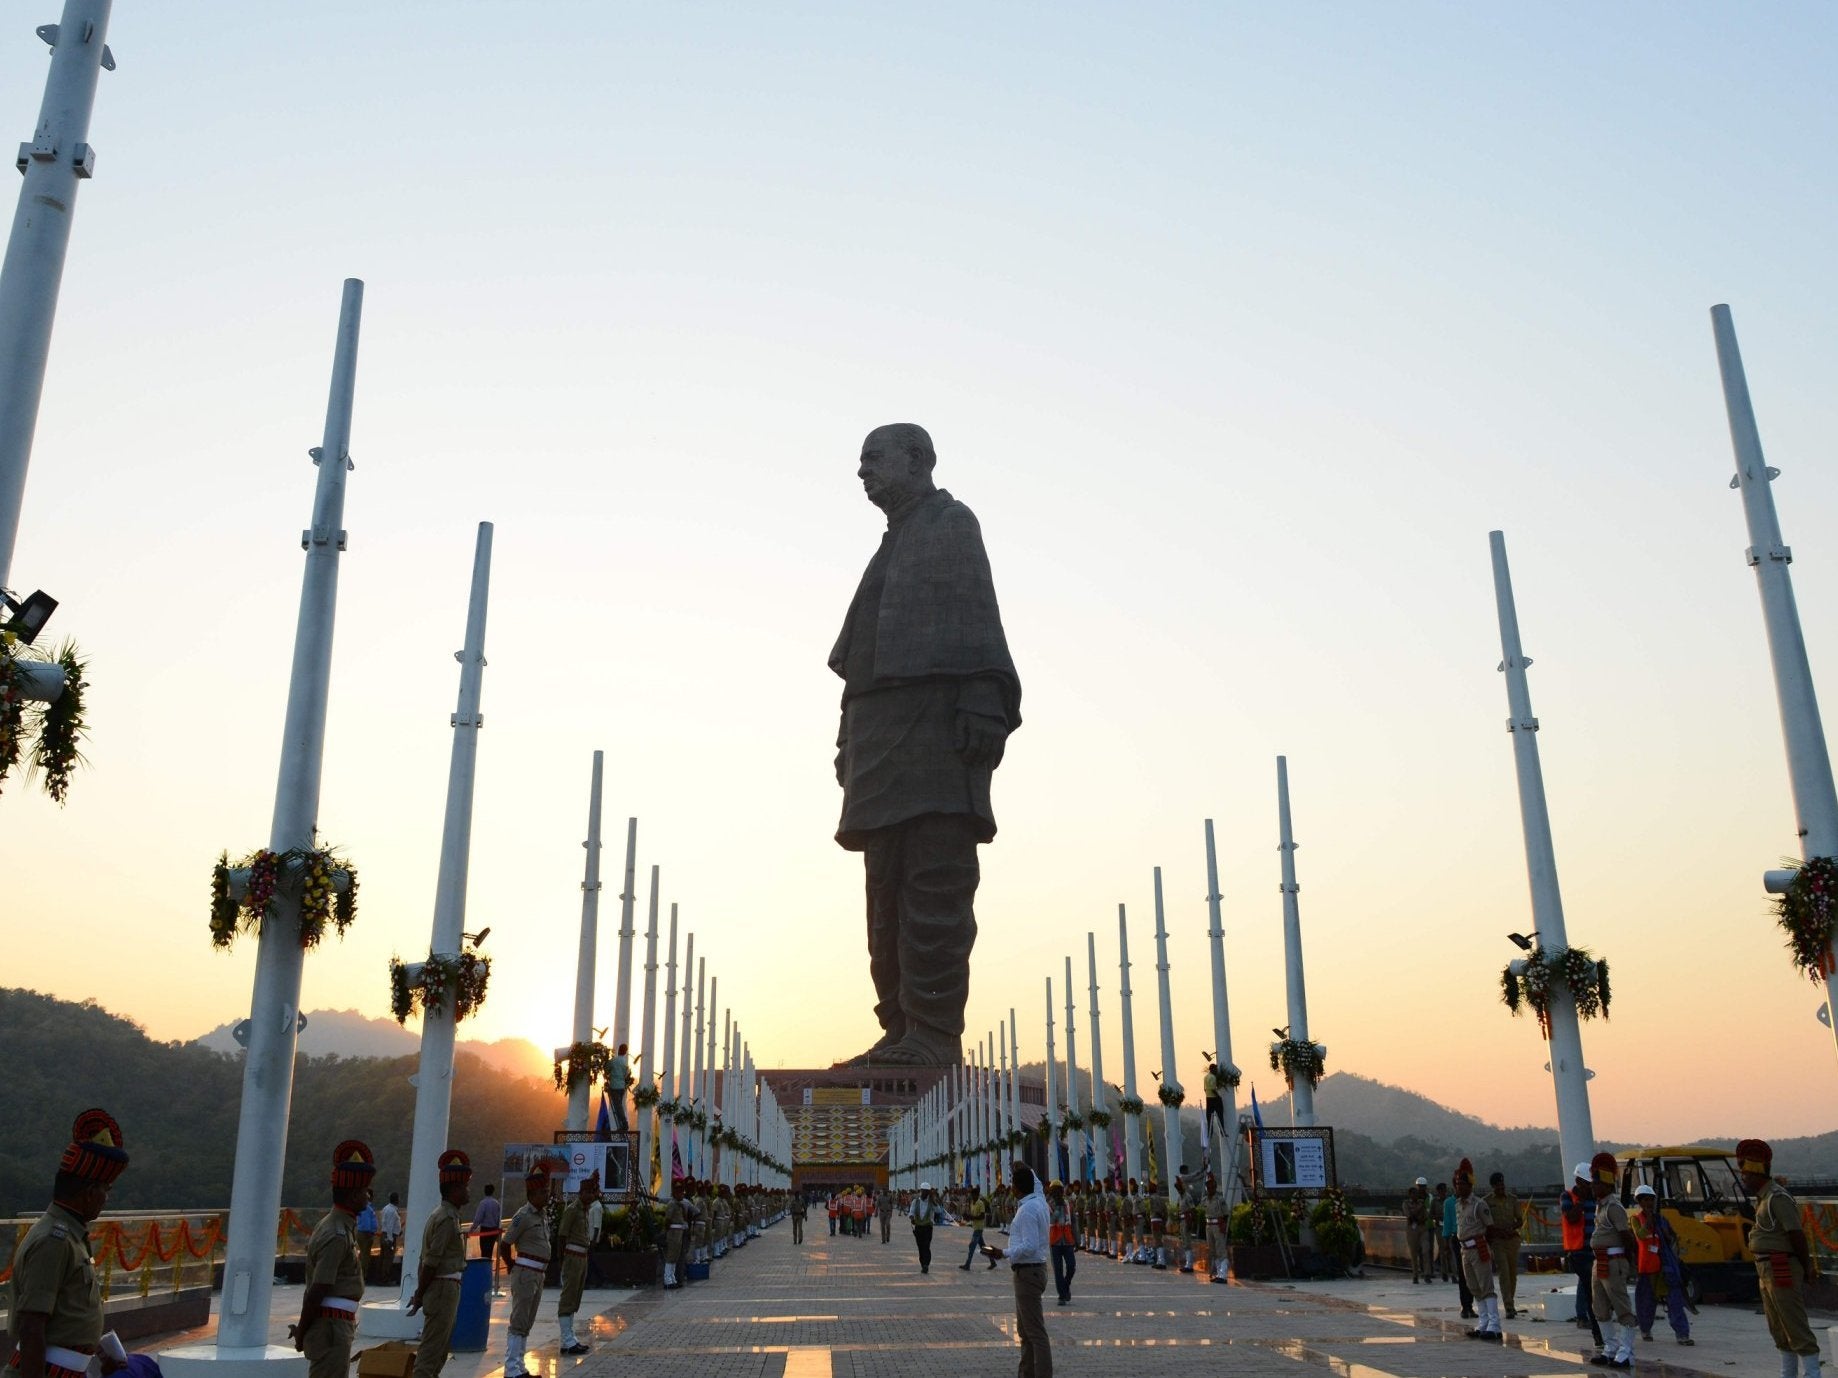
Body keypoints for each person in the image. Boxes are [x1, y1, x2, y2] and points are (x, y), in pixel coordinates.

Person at [832, 422, 1022, 1067]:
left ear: (916, 460)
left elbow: (976, 621)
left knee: (934, 882)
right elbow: (859, 661)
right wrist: (845, 738)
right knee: (882, 894)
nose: (862, 471)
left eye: (872, 458)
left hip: (937, 733)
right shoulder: (889, 547)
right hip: (879, 739)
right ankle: (899, 1027)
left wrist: (980, 700)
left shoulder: (950, 525)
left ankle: (934, 1033)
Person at [5, 1110, 130, 1378]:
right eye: (104, 1190)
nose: (105, 1199)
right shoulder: (54, 1240)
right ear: (88, 1193)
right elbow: (31, 1325)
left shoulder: (73, 1237)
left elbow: (68, 1316)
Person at [1739, 1137, 1821, 1378]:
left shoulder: (1777, 1198)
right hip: (1765, 1267)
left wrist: (1807, 1267)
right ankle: (1789, 1373)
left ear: (1756, 1175)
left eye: (1745, 1175)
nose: (1743, 1179)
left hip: (1781, 1265)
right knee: (1778, 1326)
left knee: (1794, 1322)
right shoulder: (1763, 1199)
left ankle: (1813, 1373)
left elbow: (1796, 1235)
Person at [294, 1141, 374, 1378]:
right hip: (330, 1326)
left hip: (337, 1324)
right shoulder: (336, 1234)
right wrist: (302, 1329)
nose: (367, 1198)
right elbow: (319, 1287)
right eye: (363, 1192)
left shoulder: (341, 1225)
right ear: (351, 1195)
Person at [407, 1149, 472, 1378]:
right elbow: (431, 1262)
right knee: (431, 1351)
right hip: (442, 1288)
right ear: (454, 1190)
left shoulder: (447, 1214)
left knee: (440, 1350)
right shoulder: (445, 1218)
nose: (467, 1191)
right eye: (464, 1187)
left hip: (446, 1287)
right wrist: (419, 1294)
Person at [987, 1163, 1051, 1378]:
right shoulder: (1039, 1200)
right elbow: (1038, 1185)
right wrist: (1029, 1169)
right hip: (1034, 1270)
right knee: (1025, 1331)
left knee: (1035, 1333)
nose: (1010, 1188)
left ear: (1018, 1188)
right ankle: (1026, 1373)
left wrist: (1003, 1253)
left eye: (1012, 1184)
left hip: (1027, 1273)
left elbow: (1030, 1245)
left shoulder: (1027, 1210)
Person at [498, 1164, 552, 1378]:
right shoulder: (523, 1215)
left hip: (539, 1273)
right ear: (532, 1194)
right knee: (519, 1319)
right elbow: (505, 1243)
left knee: (527, 1320)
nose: (546, 1195)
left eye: (547, 1191)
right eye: (543, 1192)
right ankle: (511, 1368)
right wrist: (511, 1264)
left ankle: (520, 1365)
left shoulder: (542, 1214)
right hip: (526, 1272)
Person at [1588, 1151, 1637, 1369]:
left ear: (1606, 1184)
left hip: (1614, 1260)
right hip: (1599, 1261)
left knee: (1621, 1305)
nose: (1592, 1186)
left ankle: (1626, 1352)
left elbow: (1628, 1238)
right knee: (1599, 1306)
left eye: (1596, 1182)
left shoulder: (1614, 1208)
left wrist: (1630, 1263)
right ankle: (1610, 1347)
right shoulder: (1601, 1206)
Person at [1630, 1184, 1693, 1345]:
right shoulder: (1636, 1219)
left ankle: (1682, 1334)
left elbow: (1672, 1238)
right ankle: (1645, 1329)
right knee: (1646, 1302)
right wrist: (1649, 1222)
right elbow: (1641, 1235)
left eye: (1651, 1200)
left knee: (1675, 1300)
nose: (1649, 1203)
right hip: (1647, 1267)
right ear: (1639, 1201)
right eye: (1645, 1200)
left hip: (1665, 1267)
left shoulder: (1662, 1220)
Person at [1453, 1160, 1501, 1341]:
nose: (1458, 1187)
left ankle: (1494, 1325)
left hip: (1478, 1246)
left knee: (1486, 1286)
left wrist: (1488, 1249)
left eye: (1462, 1184)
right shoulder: (1458, 1204)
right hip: (1465, 1249)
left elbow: (1490, 1228)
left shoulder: (1479, 1204)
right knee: (1474, 1287)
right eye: (1457, 1184)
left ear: (1470, 1185)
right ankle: (1483, 1323)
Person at [1561, 1161, 1605, 1350]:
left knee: (1589, 1286)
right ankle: (1592, 1326)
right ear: (1578, 1180)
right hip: (1578, 1251)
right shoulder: (1568, 1196)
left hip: (1595, 1249)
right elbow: (1571, 1217)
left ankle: (1592, 1321)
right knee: (1588, 1287)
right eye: (1586, 1183)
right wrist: (1579, 1201)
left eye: (1590, 1183)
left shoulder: (1596, 1198)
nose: (1589, 1187)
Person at [555, 1172, 598, 1355]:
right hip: (572, 1257)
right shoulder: (573, 1209)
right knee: (568, 1297)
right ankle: (566, 1339)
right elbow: (562, 1235)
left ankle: (569, 1338)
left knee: (575, 1298)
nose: (593, 1196)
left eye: (594, 1192)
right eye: (590, 1192)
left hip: (582, 1257)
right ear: (582, 1192)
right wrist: (562, 1261)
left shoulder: (585, 1211)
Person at [1487, 1171, 1523, 1318]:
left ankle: (1511, 1301)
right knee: (1504, 1273)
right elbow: (1487, 1223)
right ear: (1493, 1186)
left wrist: (1511, 1228)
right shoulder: (1487, 1201)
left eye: (1502, 1184)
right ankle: (1508, 1306)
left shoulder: (1512, 1199)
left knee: (1513, 1274)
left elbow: (1520, 1220)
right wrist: (1499, 1231)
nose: (1501, 1187)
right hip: (1497, 1241)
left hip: (1512, 1240)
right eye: (1498, 1185)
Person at [1441, 1179, 1473, 1318]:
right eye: (1458, 1186)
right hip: (1457, 1238)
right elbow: (1447, 1223)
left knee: (1471, 1273)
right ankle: (1465, 1306)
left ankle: (1470, 1305)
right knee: (1462, 1272)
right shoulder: (1449, 1203)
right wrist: (1446, 1242)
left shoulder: (1471, 1201)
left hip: (1470, 1237)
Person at [1047, 1182, 1076, 1305]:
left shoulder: (1067, 1204)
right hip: (1055, 1241)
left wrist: (1077, 1241)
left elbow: (1074, 1222)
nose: (1058, 1192)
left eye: (1059, 1190)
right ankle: (1062, 1296)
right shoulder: (1048, 1205)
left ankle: (1066, 1285)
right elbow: (1051, 1220)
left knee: (1071, 1266)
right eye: (1055, 1190)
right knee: (1058, 1270)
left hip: (1068, 1240)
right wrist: (1057, 1210)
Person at [471, 1184, 503, 1296]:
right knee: (489, 1254)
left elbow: (478, 1218)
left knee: (484, 1254)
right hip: (494, 1231)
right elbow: (499, 1218)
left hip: (485, 1231)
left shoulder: (483, 1203)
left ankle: (485, 1278)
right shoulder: (496, 1203)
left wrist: (472, 1229)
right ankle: (490, 1277)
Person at [1404, 1178, 1432, 1284]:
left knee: (1426, 1250)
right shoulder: (1406, 1203)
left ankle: (1427, 1274)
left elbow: (1426, 1216)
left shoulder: (1423, 1201)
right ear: (1410, 1195)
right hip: (1412, 1229)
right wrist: (1419, 1209)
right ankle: (1415, 1275)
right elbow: (1409, 1216)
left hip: (1422, 1228)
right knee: (1414, 1253)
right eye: (1414, 1193)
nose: (1417, 1195)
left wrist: (1420, 1216)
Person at [959, 1185, 992, 1270]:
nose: (972, 1196)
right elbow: (972, 1215)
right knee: (983, 1247)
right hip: (975, 1226)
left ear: (977, 1195)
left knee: (972, 1246)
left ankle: (967, 1264)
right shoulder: (972, 1203)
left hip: (979, 1227)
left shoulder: (980, 1203)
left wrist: (971, 1217)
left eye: (973, 1195)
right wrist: (967, 1217)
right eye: (971, 1195)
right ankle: (993, 1261)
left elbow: (982, 1216)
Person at [910, 1181, 939, 1273]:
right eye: (923, 1191)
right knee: (920, 1247)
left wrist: (934, 1201)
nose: (924, 1193)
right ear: (921, 1191)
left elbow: (938, 1211)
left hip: (927, 1228)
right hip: (918, 1227)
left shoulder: (931, 1202)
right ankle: (923, 1263)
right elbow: (911, 1212)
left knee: (926, 1246)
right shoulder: (915, 1201)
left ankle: (926, 1264)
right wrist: (912, 1218)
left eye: (927, 1191)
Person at [607, 1045, 633, 1132]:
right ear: (625, 1052)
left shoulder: (613, 1060)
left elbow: (606, 1069)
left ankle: (624, 1124)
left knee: (618, 1107)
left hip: (614, 1086)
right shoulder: (625, 1063)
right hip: (622, 1087)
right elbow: (626, 1075)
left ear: (618, 1050)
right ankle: (621, 1125)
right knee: (619, 1106)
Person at [1430, 1182, 1452, 1282]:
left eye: (1444, 1190)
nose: (1443, 1192)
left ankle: (1454, 1273)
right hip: (1439, 1227)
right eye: (1441, 1190)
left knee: (1451, 1249)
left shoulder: (1450, 1200)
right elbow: (1431, 1215)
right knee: (1443, 1250)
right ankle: (1445, 1273)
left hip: (1450, 1227)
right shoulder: (1435, 1201)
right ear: (1438, 1191)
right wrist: (1438, 1218)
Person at [377, 1192, 402, 1282]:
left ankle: (380, 1277)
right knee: (388, 1258)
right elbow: (390, 1225)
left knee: (383, 1256)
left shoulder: (385, 1208)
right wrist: (390, 1239)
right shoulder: (392, 1211)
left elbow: (384, 1223)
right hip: (389, 1236)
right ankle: (385, 1278)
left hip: (384, 1235)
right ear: (396, 1200)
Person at [1203, 1063, 1227, 1139]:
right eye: (1216, 1069)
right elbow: (1213, 1089)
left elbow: (1205, 1089)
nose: (1216, 1070)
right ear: (1212, 1069)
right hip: (1214, 1098)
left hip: (1208, 1098)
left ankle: (1210, 1133)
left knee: (1209, 1117)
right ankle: (1222, 1131)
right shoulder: (1213, 1077)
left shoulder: (1206, 1077)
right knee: (1220, 1115)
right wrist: (1218, 1097)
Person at [355, 1199, 377, 1279]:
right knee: (365, 1255)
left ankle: (360, 1273)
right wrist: (370, 1232)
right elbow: (366, 1222)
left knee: (363, 1253)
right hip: (366, 1234)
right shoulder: (367, 1208)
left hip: (362, 1232)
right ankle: (362, 1275)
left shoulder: (365, 1208)